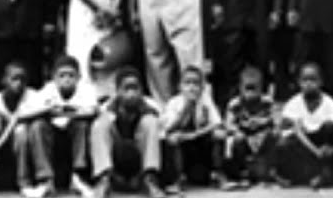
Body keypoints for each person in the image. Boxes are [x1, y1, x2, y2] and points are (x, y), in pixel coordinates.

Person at [28, 55, 102, 197]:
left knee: (82, 124)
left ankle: (77, 177)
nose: (66, 79)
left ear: (79, 77)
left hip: (75, 134)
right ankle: (46, 181)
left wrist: (60, 112)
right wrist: (50, 112)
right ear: (54, 78)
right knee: (37, 126)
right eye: (62, 75)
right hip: (53, 134)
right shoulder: (47, 90)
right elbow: (33, 111)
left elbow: (92, 111)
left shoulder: (86, 90)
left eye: (71, 75)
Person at [88, 68, 166, 198]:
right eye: (126, 89)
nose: (131, 94)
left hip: (140, 161)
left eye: (135, 88)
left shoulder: (152, 106)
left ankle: (150, 180)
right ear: (118, 91)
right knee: (100, 124)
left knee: (151, 121)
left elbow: (163, 139)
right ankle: (103, 179)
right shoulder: (106, 107)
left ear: (141, 90)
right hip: (116, 163)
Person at [0, 62, 52, 198]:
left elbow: (46, 110)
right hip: (5, 142)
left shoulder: (32, 96)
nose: (19, 83)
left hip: (27, 141)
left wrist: (20, 118)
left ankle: (27, 183)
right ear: (4, 80)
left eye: (22, 79)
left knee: (23, 130)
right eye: (14, 79)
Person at [275, 63, 333, 188]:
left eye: (313, 79)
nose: (308, 83)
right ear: (299, 82)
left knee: (330, 128)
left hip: (322, 144)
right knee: (283, 143)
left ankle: (323, 175)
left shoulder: (330, 103)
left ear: (321, 82)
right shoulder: (293, 104)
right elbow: (288, 130)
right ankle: (288, 175)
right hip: (303, 147)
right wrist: (315, 151)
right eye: (305, 80)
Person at [161, 66, 229, 192]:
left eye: (196, 83)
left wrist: (197, 133)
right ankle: (177, 179)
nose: (191, 87)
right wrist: (186, 108)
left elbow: (217, 124)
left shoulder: (206, 101)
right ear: (180, 86)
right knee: (172, 139)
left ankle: (219, 174)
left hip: (201, 147)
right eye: (187, 83)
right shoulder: (174, 103)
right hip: (183, 148)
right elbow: (167, 129)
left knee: (219, 134)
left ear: (202, 87)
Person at [224, 66, 280, 188]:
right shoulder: (234, 104)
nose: (250, 93)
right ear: (240, 87)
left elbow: (277, 122)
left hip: (262, 138)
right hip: (244, 139)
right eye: (247, 88)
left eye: (254, 88)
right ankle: (241, 173)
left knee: (274, 136)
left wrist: (272, 129)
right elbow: (228, 125)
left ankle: (270, 171)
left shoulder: (268, 102)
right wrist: (236, 131)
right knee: (237, 140)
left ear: (261, 88)